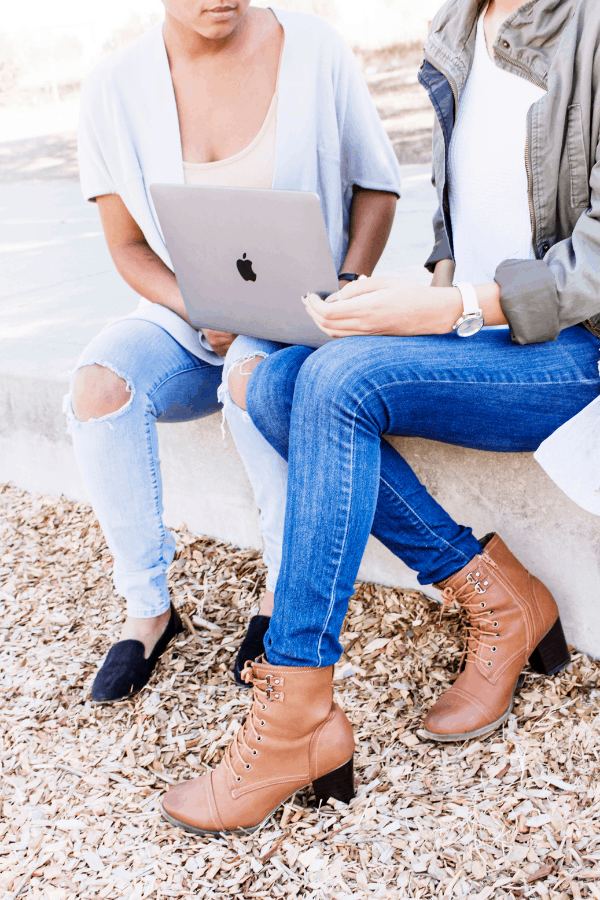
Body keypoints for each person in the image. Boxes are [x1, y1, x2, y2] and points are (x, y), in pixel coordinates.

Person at [161, 0, 600, 836]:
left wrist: (447, 312)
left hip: (575, 346)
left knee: (335, 384)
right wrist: (416, 297)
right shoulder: (459, 24)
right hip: (479, 326)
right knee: (280, 382)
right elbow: (460, 207)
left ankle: (297, 709)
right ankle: (499, 597)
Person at [67, 0, 401, 704]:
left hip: (301, 320)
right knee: (97, 386)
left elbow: (378, 186)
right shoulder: (113, 87)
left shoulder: (315, 50)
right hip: (187, 318)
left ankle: (283, 597)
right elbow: (127, 247)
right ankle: (148, 609)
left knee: (249, 372)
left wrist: (340, 295)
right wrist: (205, 306)